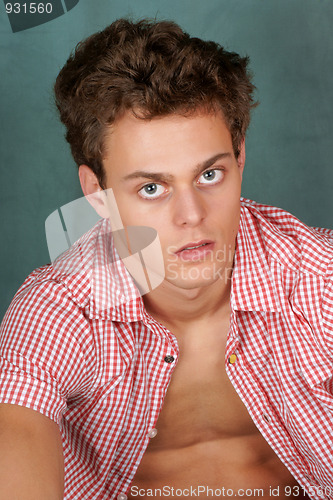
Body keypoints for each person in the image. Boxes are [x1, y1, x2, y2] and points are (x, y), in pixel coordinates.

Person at [0, 18, 332, 500]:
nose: (192, 215)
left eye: (210, 174)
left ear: (240, 157)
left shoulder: (315, 275)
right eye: (151, 188)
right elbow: (16, 426)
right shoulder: (62, 307)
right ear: (98, 192)